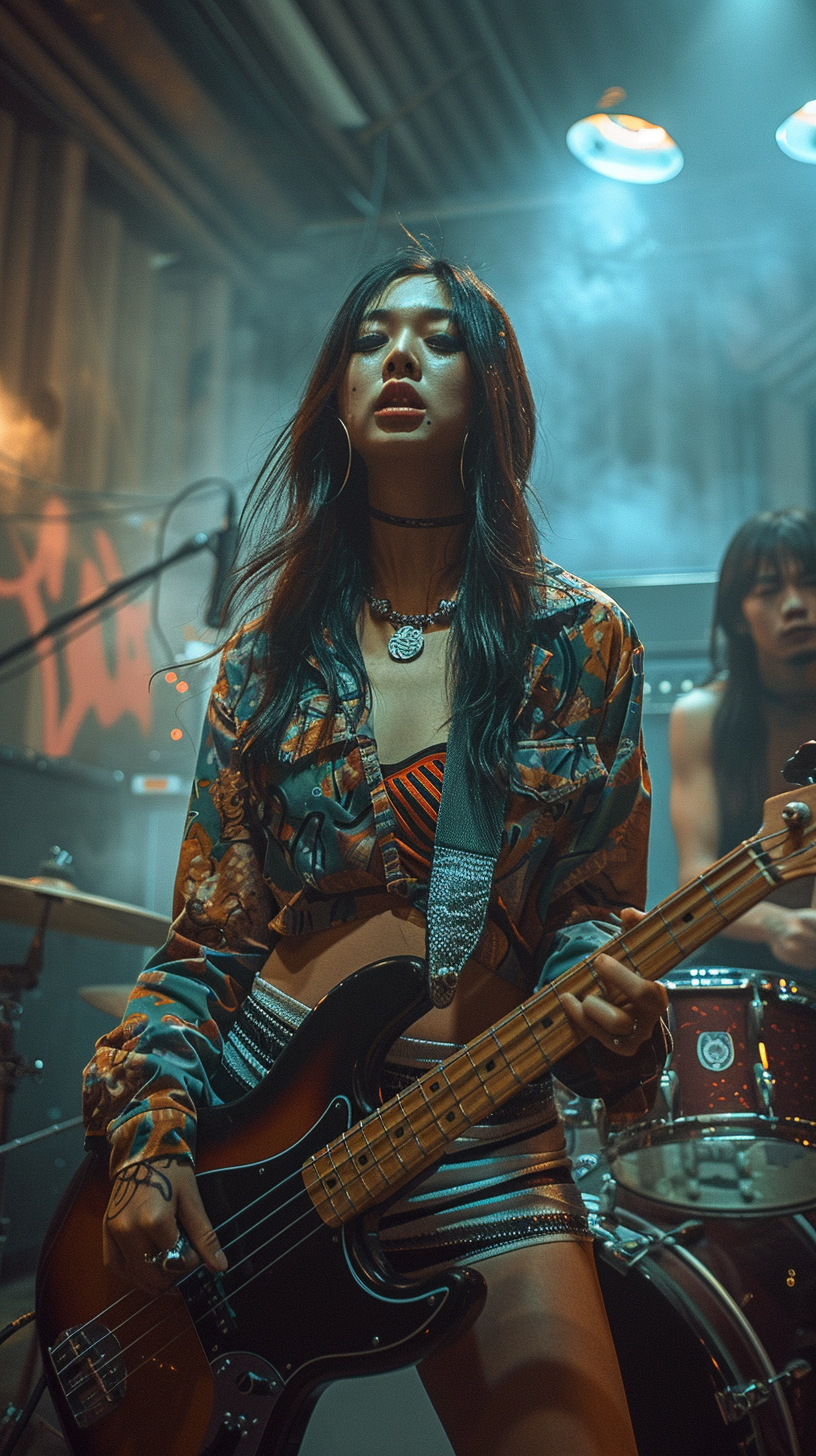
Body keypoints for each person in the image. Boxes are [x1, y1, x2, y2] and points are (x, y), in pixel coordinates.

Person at [82, 250, 668, 1456]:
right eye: (370, 336)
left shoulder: (583, 641)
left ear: (491, 386)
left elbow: (595, 914)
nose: (400, 354)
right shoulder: (267, 652)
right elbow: (207, 939)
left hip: (479, 1136)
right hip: (261, 1122)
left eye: (439, 337)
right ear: (337, 388)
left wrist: (605, 1011)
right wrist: (155, 1138)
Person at [670, 508, 816, 987]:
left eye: (810, 581)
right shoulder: (700, 718)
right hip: (743, 961)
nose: (796, 605)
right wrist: (776, 925)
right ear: (738, 614)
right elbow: (695, 874)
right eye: (769, 589)